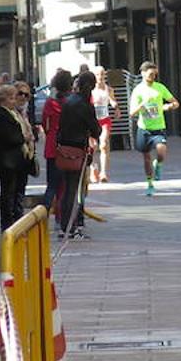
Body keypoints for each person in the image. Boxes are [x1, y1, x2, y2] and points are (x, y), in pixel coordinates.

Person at [0, 82, 38, 231]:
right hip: (8, 161)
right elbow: (9, 137)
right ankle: (8, 223)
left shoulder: (13, 113)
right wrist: (24, 137)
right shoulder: (1, 115)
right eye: (12, 98)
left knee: (17, 192)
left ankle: (16, 219)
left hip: (17, 160)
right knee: (9, 193)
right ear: (4, 100)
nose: (16, 101)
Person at [56, 72, 101, 239]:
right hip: (78, 151)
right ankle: (71, 227)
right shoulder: (85, 105)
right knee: (75, 190)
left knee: (67, 188)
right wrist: (93, 135)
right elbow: (95, 129)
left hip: (64, 149)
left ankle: (64, 226)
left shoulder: (68, 102)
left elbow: (60, 127)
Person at [129, 61, 179, 197]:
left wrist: (169, 106)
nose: (153, 77)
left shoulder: (160, 87)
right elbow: (132, 112)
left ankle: (159, 163)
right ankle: (150, 183)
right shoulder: (138, 90)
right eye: (150, 74)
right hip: (144, 129)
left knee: (161, 150)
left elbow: (175, 102)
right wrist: (141, 106)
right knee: (146, 158)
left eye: (155, 74)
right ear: (143, 73)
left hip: (159, 127)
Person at [40, 70, 73, 214]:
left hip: (52, 147)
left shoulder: (49, 103)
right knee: (65, 186)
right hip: (68, 146)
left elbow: (45, 125)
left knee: (52, 185)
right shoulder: (72, 102)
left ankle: (43, 214)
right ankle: (62, 217)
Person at [90, 66, 116, 183]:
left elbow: (112, 100)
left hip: (104, 120)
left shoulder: (108, 89)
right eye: (98, 75)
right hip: (92, 121)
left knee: (104, 145)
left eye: (102, 74)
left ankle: (104, 172)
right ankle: (93, 168)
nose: (100, 77)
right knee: (92, 147)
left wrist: (115, 105)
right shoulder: (90, 90)